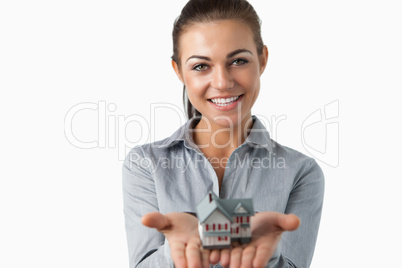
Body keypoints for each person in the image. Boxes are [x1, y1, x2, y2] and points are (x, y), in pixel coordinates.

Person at [122, 0, 325, 267]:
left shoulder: (301, 172)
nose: (222, 82)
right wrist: (178, 248)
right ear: (179, 71)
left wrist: (265, 254)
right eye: (200, 66)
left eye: (238, 61)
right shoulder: (145, 163)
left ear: (262, 60)